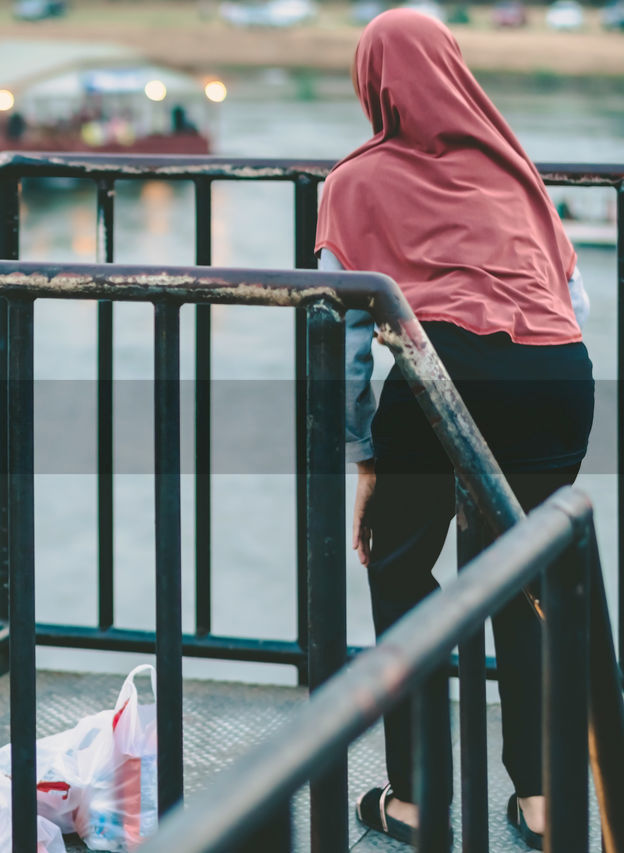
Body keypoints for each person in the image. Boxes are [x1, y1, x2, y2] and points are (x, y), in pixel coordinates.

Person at [315, 10, 593, 850]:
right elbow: (576, 304)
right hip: (559, 380)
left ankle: (418, 800)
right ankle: (542, 802)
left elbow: (343, 342)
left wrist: (364, 456)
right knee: (523, 582)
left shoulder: (354, 183)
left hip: (446, 383)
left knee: (400, 573)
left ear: (375, 82)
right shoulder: (515, 172)